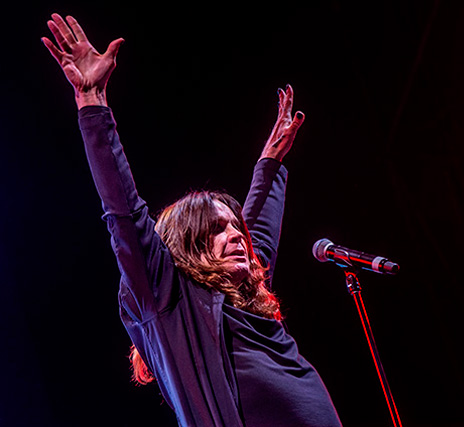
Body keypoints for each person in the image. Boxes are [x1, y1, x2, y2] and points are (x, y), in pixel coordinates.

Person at [42, 13, 342, 427]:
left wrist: (270, 163)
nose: (236, 236)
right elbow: (124, 213)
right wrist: (92, 101)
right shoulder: (171, 297)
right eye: (216, 229)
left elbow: (257, 232)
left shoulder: (247, 298)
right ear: (188, 247)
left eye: (235, 227)